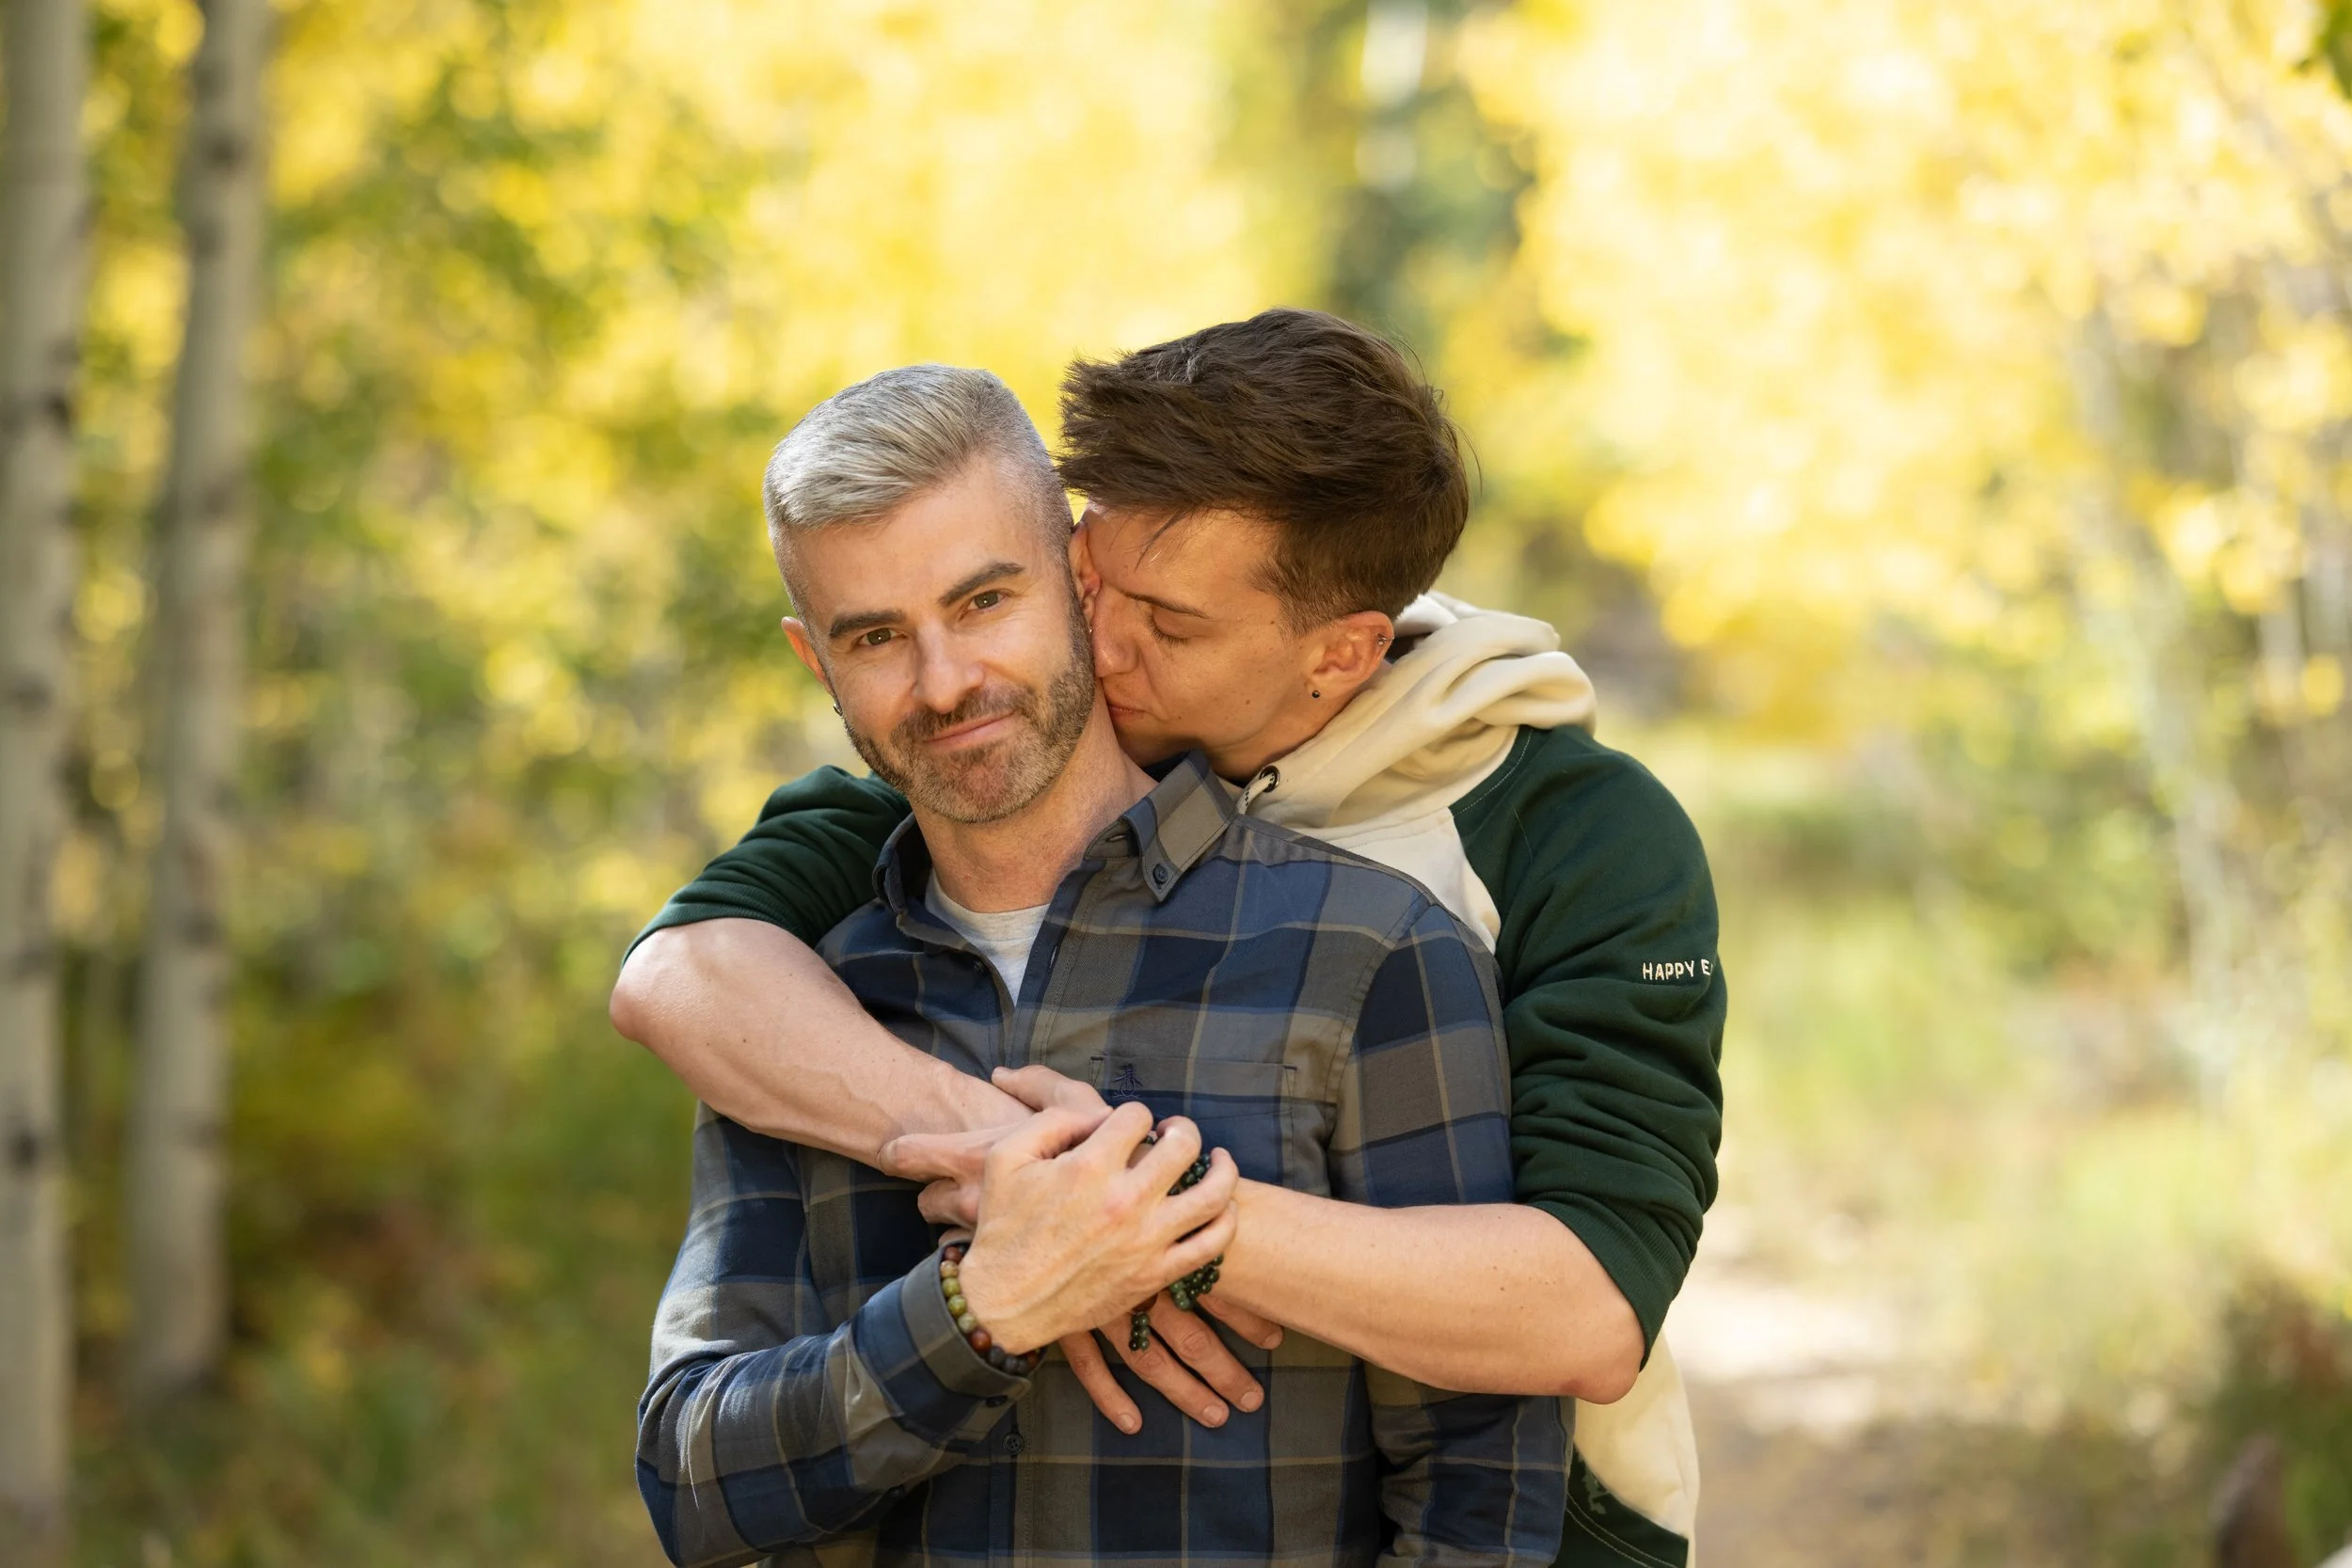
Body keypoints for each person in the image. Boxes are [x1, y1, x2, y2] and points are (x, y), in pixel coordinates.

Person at [614, 311, 1725, 1567]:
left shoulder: (1555, 840)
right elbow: (683, 972)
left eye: (1169, 623)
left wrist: (1146, 1217)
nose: (1100, 638)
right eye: (1091, 577)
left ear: (1338, 654)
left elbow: (1582, 1313)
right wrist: (1026, 1191)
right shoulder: (974, 759)